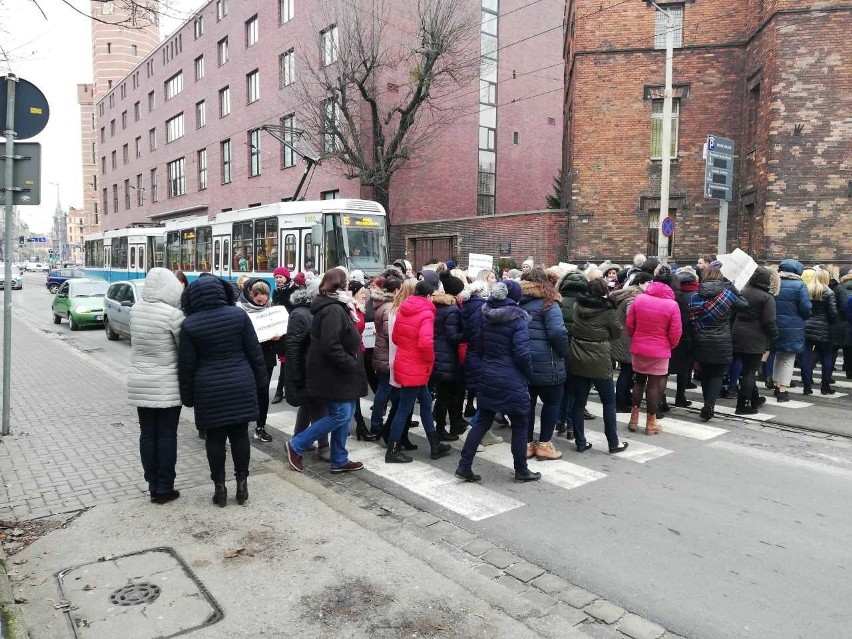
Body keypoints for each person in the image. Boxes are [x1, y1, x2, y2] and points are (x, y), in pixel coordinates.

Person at [178, 275, 268, 507]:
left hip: (208, 388)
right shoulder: (238, 315)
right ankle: (242, 483)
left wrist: (187, 397)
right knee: (240, 436)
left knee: (215, 439)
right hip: (240, 382)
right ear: (223, 292)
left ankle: (219, 487)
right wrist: (260, 383)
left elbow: (186, 365)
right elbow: (254, 352)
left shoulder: (190, 324)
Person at [455, 281, 541, 483]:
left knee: (482, 421)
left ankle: (464, 465)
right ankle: (521, 470)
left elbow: (479, 345)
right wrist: (528, 373)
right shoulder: (518, 318)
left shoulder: (485, 315)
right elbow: (522, 353)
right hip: (511, 377)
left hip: (488, 372)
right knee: (520, 423)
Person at [285, 268, 367, 474]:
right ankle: (297, 445)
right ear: (338, 285)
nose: (349, 286)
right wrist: (350, 363)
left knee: (345, 415)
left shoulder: (339, 305)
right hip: (334, 373)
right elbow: (331, 345)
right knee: (339, 415)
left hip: (340, 372)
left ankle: (339, 459)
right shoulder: (332, 309)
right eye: (346, 282)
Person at [127, 268, 186, 504]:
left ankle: (152, 485)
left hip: (140, 383)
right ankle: (165, 487)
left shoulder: (135, 311)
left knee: (147, 435)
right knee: (167, 436)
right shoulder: (173, 315)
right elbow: (183, 349)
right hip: (168, 385)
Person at [384, 280, 452, 463]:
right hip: (416, 367)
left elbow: (396, 338)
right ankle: (392, 450)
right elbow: (425, 343)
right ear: (429, 296)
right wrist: (430, 360)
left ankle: (435, 444)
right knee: (404, 409)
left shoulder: (404, 308)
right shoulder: (426, 313)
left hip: (405, 362)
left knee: (426, 402)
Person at [569, 278, 629, 453]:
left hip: (578, 355)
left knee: (579, 403)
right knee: (608, 401)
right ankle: (613, 442)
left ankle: (580, 442)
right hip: (600, 358)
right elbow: (617, 331)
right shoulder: (607, 310)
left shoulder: (577, 306)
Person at [519, 267, 569, 460]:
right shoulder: (550, 303)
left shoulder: (517, 302)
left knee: (528, 405)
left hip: (523, 363)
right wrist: (564, 352)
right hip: (548, 363)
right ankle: (545, 445)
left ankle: (527, 444)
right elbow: (557, 332)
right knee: (552, 403)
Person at [688, 267, 749, 421]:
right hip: (721, 341)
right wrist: (732, 287)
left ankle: (706, 403)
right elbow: (744, 305)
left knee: (705, 374)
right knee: (716, 375)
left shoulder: (695, 296)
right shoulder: (727, 295)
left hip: (700, 339)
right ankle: (709, 405)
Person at [626, 274, 682, 434]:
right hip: (660, 349)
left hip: (639, 346)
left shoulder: (639, 299)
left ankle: (633, 419)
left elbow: (630, 324)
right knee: (653, 386)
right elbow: (676, 332)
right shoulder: (672, 305)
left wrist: (636, 338)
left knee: (639, 382)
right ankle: (651, 423)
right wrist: (670, 345)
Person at [283, 278, 330, 461]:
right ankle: (323, 446)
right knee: (319, 406)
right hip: (307, 369)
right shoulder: (300, 314)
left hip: (314, 367)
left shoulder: (315, 311)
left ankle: (298, 437)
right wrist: (297, 376)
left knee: (309, 404)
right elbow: (293, 348)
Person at [237, 278, 280, 442]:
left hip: (266, 357)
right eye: (258, 301)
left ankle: (260, 426)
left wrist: (277, 335)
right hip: (246, 358)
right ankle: (239, 426)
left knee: (263, 393)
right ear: (250, 295)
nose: (262, 304)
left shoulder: (271, 308)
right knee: (246, 394)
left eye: (264, 301)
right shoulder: (240, 310)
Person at [732, 266, 779, 414]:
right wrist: (774, 335)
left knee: (745, 369)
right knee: (749, 371)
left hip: (737, 333)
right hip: (756, 336)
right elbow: (769, 321)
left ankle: (755, 398)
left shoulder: (742, 292)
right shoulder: (767, 297)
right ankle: (742, 405)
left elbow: (732, 313)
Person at [431, 271, 466, 440]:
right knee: (445, 396)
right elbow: (452, 337)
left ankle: (442, 427)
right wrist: (467, 334)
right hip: (447, 357)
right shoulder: (452, 310)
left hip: (438, 355)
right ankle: (440, 430)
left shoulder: (438, 305)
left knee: (443, 395)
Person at [771, 259, 811, 402]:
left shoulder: (774, 283)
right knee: (788, 358)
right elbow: (806, 307)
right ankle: (783, 391)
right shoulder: (800, 285)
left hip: (774, 324)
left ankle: (776, 385)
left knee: (778, 355)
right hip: (793, 326)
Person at [610, 272, 651, 412]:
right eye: (648, 283)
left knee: (626, 370)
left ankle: (623, 399)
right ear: (641, 283)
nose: (650, 286)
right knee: (627, 371)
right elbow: (631, 317)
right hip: (626, 339)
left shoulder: (628, 292)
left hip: (621, 338)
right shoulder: (635, 296)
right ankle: (620, 402)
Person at [555, 268, 590, 434]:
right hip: (580, 351)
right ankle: (570, 425)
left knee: (562, 389)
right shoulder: (588, 303)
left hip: (561, 351)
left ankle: (559, 421)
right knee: (575, 391)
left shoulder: (557, 302)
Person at [369, 277, 403, 438]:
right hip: (387, 353)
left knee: (387, 389)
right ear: (396, 291)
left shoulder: (382, 304)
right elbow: (391, 333)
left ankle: (386, 420)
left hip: (382, 351)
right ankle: (376, 423)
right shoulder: (390, 307)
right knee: (384, 388)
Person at [801, 268, 838, 395]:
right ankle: (825, 386)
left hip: (806, 327)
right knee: (826, 357)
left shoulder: (807, 290)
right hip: (824, 329)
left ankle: (807, 386)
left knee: (805, 356)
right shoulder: (829, 292)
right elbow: (832, 313)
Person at [670, 267, 699, 408]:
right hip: (689, 336)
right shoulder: (695, 296)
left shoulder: (672, 295)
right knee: (685, 368)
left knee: (666, 369)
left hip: (672, 336)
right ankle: (680, 396)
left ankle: (661, 399)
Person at [270, 267, 295, 405]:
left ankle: (281, 390)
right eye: (276, 277)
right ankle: (282, 390)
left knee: (287, 362)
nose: (278, 280)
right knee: (285, 362)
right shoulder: (276, 291)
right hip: (281, 330)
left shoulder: (293, 290)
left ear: (286, 277)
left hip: (291, 329)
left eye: (281, 277)